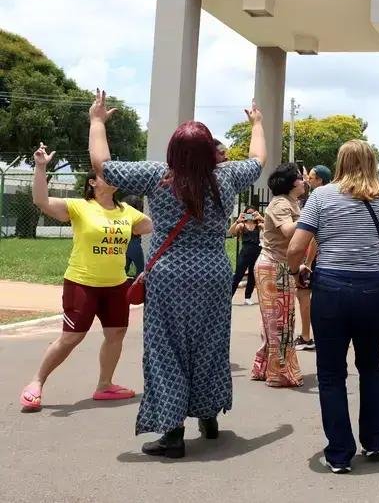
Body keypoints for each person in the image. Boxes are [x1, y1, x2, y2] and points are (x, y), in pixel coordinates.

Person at [89, 89, 265, 458]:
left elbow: (102, 165)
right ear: (208, 152)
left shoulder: (157, 177)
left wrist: (97, 122)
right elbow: (258, 160)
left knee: (165, 348)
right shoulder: (226, 178)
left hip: (168, 275)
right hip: (215, 273)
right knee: (210, 345)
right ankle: (208, 416)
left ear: (172, 151)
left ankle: (171, 434)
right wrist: (258, 124)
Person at [287, 140, 379, 474]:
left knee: (331, 372)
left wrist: (297, 270)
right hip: (373, 287)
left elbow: (297, 247)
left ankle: (339, 452)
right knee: (371, 364)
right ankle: (374, 441)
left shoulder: (321, 197)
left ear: (340, 163)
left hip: (331, 288)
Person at [20, 146, 152, 412]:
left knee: (116, 333)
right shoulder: (79, 207)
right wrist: (41, 167)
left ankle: (105, 385)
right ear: (92, 182)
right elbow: (41, 201)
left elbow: (155, 226)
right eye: (106, 174)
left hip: (116, 285)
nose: (113, 177)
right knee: (71, 337)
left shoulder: (127, 211)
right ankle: (36, 382)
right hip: (82, 283)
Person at [249, 164, 306, 387]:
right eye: (300, 178)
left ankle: (264, 368)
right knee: (279, 324)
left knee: (276, 322)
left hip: (281, 266)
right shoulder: (280, 203)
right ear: (291, 183)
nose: (303, 181)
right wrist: (312, 213)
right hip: (272, 267)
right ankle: (279, 374)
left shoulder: (292, 202)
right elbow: (288, 231)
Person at [294, 164, 332, 351]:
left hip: (313, 256)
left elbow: (315, 235)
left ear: (319, 180)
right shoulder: (331, 196)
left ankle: (306, 335)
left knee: (304, 295)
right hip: (325, 257)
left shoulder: (317, 199)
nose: (307, 180)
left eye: (310, 177)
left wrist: (308, 261)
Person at [229, 207, 263, 305]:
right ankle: (229, 297)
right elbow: (231, 232)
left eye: (252, 213)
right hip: (245, 253)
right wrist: (237, 221)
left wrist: (261, 217)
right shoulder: (241, 225)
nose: (250, 215)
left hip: (256, 252)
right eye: (248, 213)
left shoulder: (259, 225)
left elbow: (270, 228)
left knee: (252, 276)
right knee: (238, 275)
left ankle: (247, 297)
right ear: (244, 214)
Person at [123, 194, 146, 279]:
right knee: (142, 271)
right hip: (133, 243)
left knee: (122, 271)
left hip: (122, 243)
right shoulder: (136, 217)